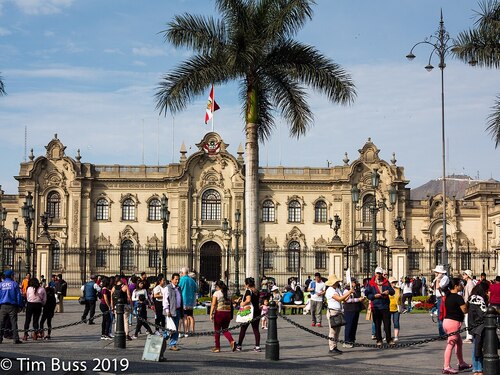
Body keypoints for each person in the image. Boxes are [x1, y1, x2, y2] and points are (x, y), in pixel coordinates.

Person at [441, 277, 472, 374]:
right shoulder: (458, 297)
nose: (462, 285)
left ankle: (461, 363)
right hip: (453, 323)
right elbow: (464, 310)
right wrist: (468, 304)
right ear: (456, 286)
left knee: (459, 342)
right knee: (450, 345)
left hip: (446, 321)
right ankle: (446, 366)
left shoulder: (448, 295)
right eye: (460, 284)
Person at [364, 266, 395, 347]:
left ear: (382, 274)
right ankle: (379, 339)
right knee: (377, 324)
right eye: (377, 273)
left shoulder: (386, 282)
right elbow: (367, 294)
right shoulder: (371, 283)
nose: (378, 275)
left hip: (385, 305)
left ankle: (389, 339)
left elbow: (393, 291)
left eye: (380, 273)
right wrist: (374, 296)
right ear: (375, 273)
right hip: (376, 306)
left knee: (387, 324)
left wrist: (388, 291)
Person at [325, 275, 355, 355]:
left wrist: (349, 294)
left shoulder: (337, 289)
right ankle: (331, 347)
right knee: (333, 331)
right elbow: (339, 299)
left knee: (337, 331)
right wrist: (349, 292)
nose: (338, 283)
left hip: (338, 311)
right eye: (336, 282)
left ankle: (335, 346)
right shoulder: (330, 290)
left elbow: (343, 299)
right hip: (333, 311)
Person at [467, 282, 489, 375]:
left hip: (473, 325)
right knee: (478, 347)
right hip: (479, 327)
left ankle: (476, 368)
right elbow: (484, 313)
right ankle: (479, 369)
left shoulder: (472, 298)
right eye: (487, 291)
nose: (488, 292)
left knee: (475, 347)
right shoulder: (479, 299)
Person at [209, 280, 236, 352]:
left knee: (217, 330)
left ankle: (217, 347)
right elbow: (232, 302)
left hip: (219, 313)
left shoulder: (216, 293)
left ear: (217, 286)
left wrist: (211, 313)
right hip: (228, 313)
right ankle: (231, 341)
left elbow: (213, 304)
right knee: (225, 330)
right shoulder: (229, 292)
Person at [235, 277, 261, 352]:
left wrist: (242, 303)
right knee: (256, 329)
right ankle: (257, 346)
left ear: (247, 284)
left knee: (243, 329)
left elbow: (248, 300)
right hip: (256, 311)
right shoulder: (257, 291)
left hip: (249, 312)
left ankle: (239, 345)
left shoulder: (248, 291)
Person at [0, 269, 24, 344]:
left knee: (1, 323)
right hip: (12, 306)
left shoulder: (1, 284)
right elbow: (18, 296)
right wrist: (20, 305)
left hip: (3, 305)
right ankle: (15, 339)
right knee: (14, 322)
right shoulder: (14, 284)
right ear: (11, 276)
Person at [163, 273, 183, 351]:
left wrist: (181, 311)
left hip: (177, 310)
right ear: (172, 280)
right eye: (176, 279)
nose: (177, 281)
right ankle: (163, 338)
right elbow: (165, 300)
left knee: (175, 328)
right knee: (170, 328)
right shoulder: (167, 288)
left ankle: (173, 344)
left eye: (178, 279)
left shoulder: (179, 288)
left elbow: (180, 299)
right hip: (170, 311)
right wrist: (167, 310)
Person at [342, 278, 365, 348]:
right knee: (349, 325)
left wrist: (361, 298)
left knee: (354, 326)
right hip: (349, 310)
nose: (355, 283)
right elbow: (347, 300)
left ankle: (352, 340)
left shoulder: (356, 289)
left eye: (355, 282)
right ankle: (347, 341)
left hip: (355, 309)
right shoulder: (346, 290)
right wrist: (358, 299)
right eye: (354, 282)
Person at [179, 267, 198, 338]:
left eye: (181, 272)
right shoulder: (192, 280)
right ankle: (192, 330)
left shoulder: (181, 280)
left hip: (183, 300)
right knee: (191, 316)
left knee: (185, 317)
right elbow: (197, 289)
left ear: (183, 273)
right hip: (191, 300)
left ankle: (186, 332)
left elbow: (178, 288)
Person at [433, 265, 450, 336]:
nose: (435, 273)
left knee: (442, 315)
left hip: (443, 298)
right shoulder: (438, 278)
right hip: (439, 298)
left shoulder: (445, 278)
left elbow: (438, 287)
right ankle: (441, 332)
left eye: (436, 272)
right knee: (440, 316)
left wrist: (438, 279)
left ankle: (443, 333)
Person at [462, 269, 475, 343]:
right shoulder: (469, 283)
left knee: (467, 320)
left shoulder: (470, 283)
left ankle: (469, 337)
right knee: (467, 320)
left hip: (468, 304)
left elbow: (471, 295)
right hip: (468, 303)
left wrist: (467, 304)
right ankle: (469, 336)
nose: (463, 276)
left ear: (468, 275)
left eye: (464, 274)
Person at [388, 276, 402, 342]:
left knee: (396, 322)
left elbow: (400, 298)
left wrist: (401, 306)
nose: (394, 283)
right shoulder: (387, 290)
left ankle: (396, 336)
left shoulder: (398, 289)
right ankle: (386, 335)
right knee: (387, 323)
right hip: (388, 308)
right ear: (390, 283)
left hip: (396, 308)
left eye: (395, 282)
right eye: (393, 282)